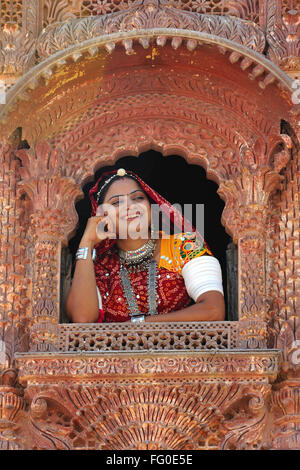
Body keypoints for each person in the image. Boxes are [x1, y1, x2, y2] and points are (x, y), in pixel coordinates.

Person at [66, 168, 225, 323]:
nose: (130, 206)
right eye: (116, 202)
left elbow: (213, 310)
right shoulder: (100, 266)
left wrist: (140, 324)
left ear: (151, 206)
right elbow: (83, 318)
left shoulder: (184, 245)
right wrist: (86, 243)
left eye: (138, 198)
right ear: (102, 216)